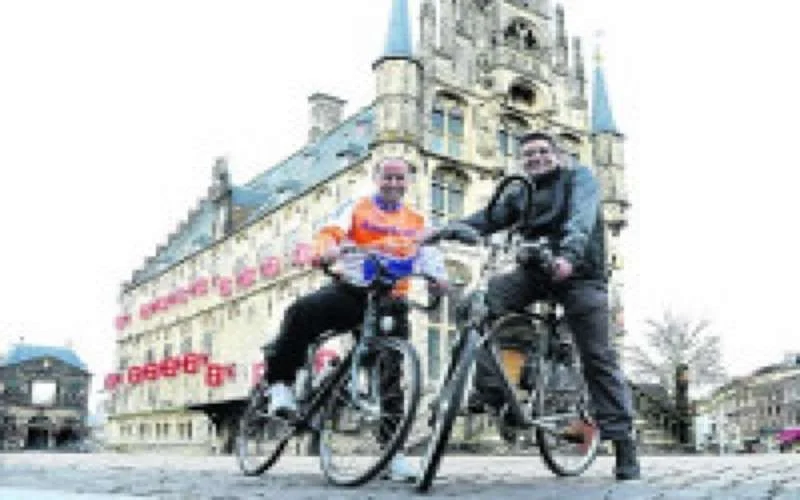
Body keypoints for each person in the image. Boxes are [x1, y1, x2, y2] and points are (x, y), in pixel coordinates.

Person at [427, 131, 640, 480]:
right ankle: (495, 392)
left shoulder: (579, 179)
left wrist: (569, 255)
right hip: (535, 272)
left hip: (580, 274)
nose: (535, 158)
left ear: (557, 156)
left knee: (598, 357)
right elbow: (487, 218)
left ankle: (623, 443)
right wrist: (443, 231)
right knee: (472, 307)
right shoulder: (520, 192)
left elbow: (581, 219)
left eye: (542, 152)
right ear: (520, 160)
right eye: (528, 154)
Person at [263, 157, 448, 482]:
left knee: (391, 375)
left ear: (408, 183)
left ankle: (394, 455)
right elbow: (329, 232)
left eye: (399, 178)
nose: (393, 183)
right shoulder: (357, 207)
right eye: (387, 177)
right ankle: (280, 384)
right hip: (353, 292)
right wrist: (327, 250)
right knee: (301, 312)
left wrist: (438, 279)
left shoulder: (417, 220)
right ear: (376, 178)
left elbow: (430, 255)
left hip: (391, 301)